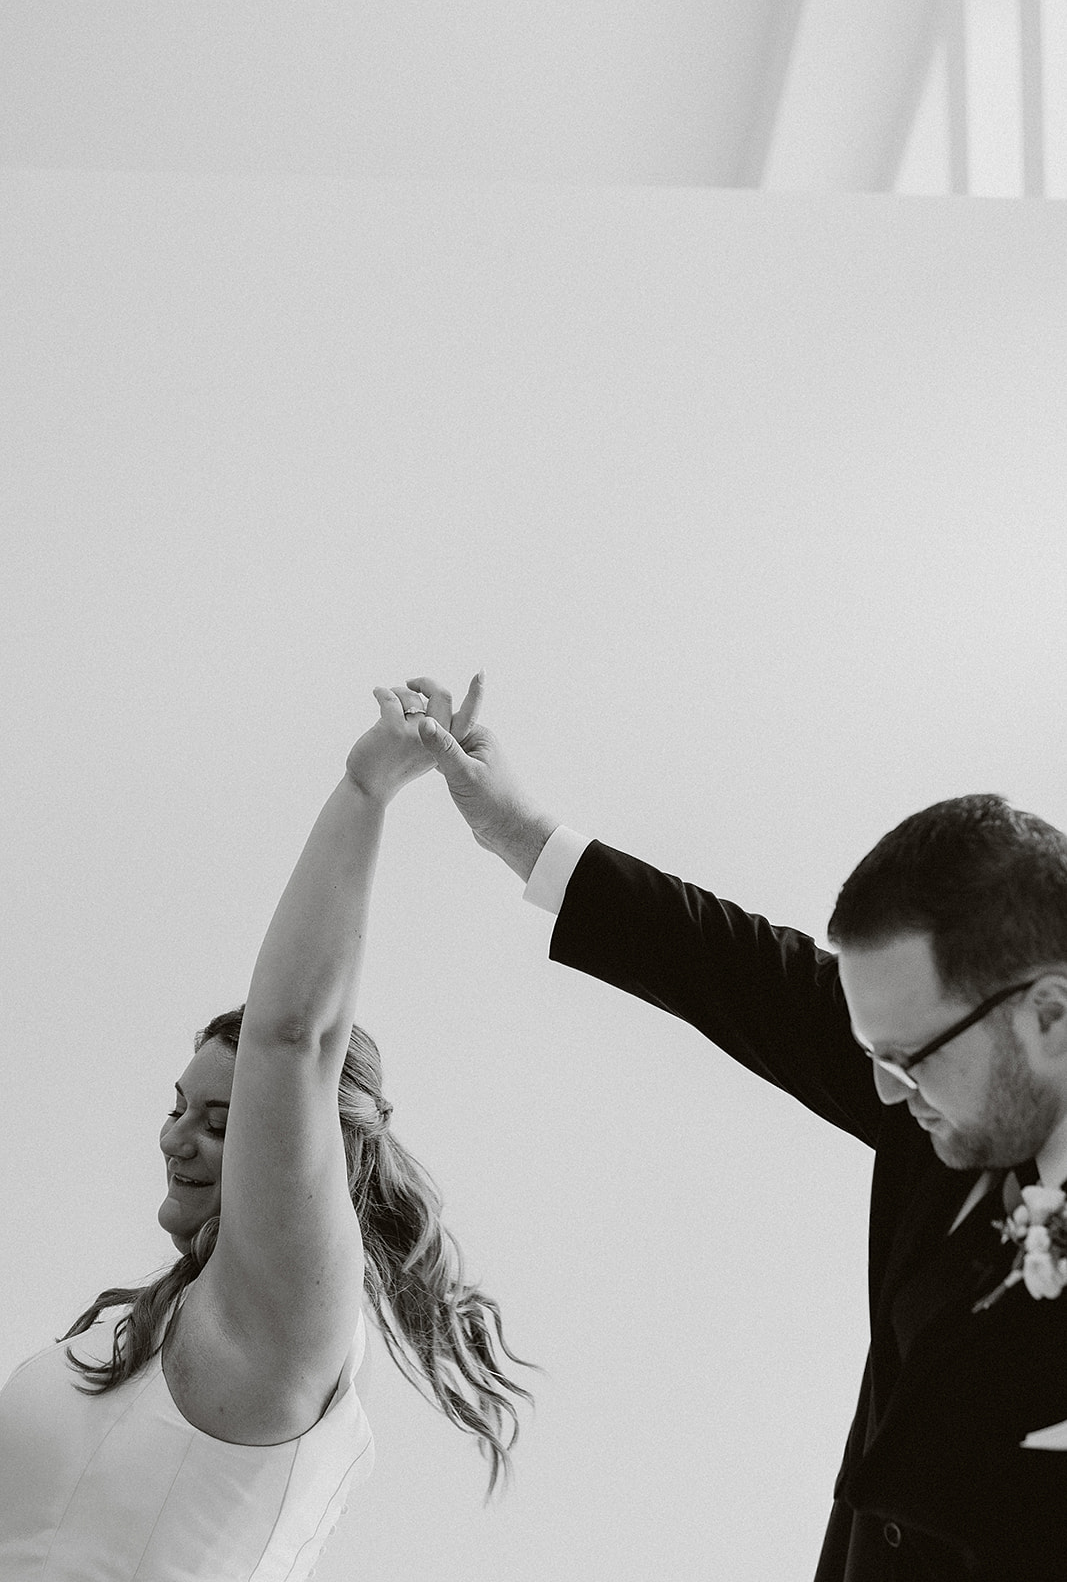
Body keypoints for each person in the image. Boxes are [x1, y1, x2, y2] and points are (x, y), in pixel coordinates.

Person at [410, 673, 1067, 1582]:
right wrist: (517, 834)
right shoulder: (944, 1097)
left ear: (1048, 1014)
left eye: (907, 1058)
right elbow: (728, 964)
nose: (882, 1093)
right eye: (868, 1053)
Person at [0, 675, 534, 1582]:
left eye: (222, 1121)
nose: (176, 1140)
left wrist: (366, 788)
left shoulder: (283, 1320)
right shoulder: (153, 1326)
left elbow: (292, 1040)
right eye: (177, 1109)